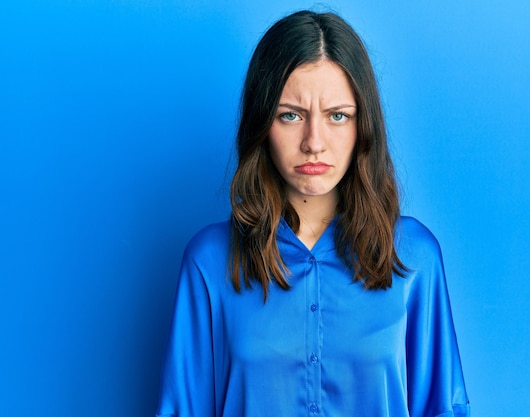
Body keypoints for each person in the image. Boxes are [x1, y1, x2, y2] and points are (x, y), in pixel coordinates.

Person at [156, 10, 469, 417]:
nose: (314, 142)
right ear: (262, 123)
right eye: (291, 115)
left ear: (363, 126)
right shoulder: (210, 260)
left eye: (337, 116)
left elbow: (442, 407)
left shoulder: (412, 255)